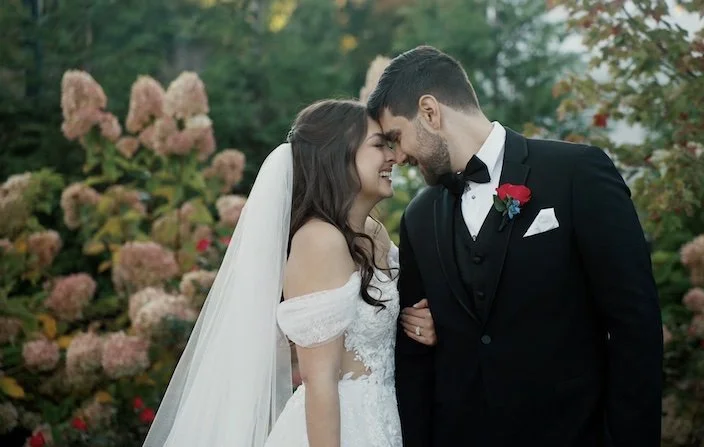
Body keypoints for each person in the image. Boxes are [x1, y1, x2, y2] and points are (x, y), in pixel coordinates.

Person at [367, 46, 663, 447]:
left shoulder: (576, 173)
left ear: (431, 112)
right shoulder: (419, 218)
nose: (397, 156)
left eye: (397, 138)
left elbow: (635, 323)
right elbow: (415, 354)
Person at [142, 99, 437, 447]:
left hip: (388, 417)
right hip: (340, 428)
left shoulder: (374, 233)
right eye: (378, 145)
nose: (393, 156)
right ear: (336, 157)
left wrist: (423, 322)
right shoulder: (319, 241)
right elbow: (320, 379)